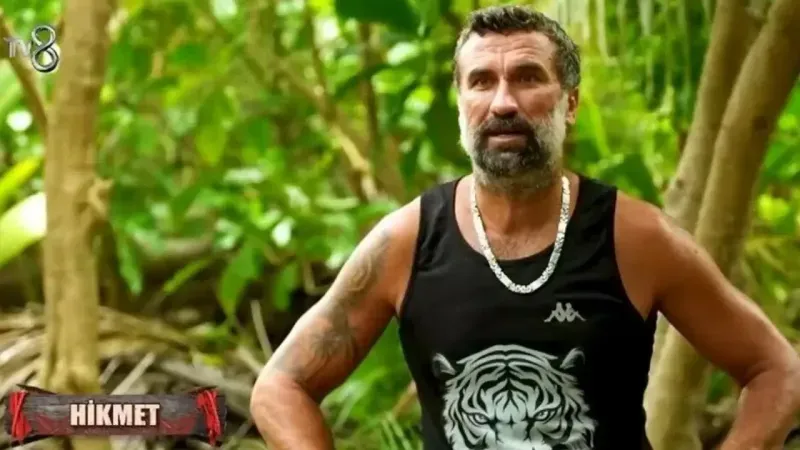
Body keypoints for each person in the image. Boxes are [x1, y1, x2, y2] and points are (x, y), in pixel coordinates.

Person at [250, 5, 800, 450]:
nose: (503, 103)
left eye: (528, 78)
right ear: (462, 104)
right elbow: (280, 386)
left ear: (570, 103)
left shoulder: (635, 238)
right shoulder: (408, 242)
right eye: (481, 82)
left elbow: (776, 370)